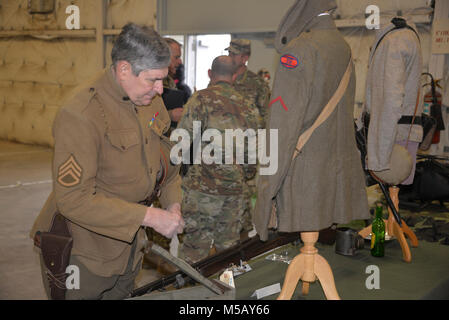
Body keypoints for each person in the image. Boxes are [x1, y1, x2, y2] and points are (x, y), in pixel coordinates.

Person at [30, 23, 185, 300]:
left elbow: (169, 167)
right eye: (153, 80)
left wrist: (173, 205)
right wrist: (150, 217)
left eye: (163, 80)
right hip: (84, 252)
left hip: (130, 246)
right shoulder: (81, 113)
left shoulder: (150, 100)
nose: (161, 89)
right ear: (124, 69)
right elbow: (74, 200)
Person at [254, 0, 370, 241]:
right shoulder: (343, 47)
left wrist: (267, 189)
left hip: (305, 174)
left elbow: (282, 126)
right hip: (335, 169)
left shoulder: (299, 49)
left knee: (307, 239)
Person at [176, 56, 259, 263]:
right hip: (234, 192)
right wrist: (244, 174)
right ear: (235, 75)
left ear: (210, 74)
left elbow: (182, 142)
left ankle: (190, 292)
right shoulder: (248, 105)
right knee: (228, 251)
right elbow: (251, 153)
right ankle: (227, 292)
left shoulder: (199, 99)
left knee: (194, 250)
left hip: (201, 189)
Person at [363, 17, 423, 185]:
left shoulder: (394, 42)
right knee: (394, 197)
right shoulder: (408, 37)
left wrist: (379, 159)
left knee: (392, 194)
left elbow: (390, 100)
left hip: (392, 141)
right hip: (402, 134)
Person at [226, 39, 270, 233]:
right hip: (222, 149)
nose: (230, 57)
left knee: (245, 198)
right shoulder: (223, 78)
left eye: (234, 54)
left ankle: (243, 241)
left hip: (247, 152)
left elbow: (267, 116)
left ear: (245, 58)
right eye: (229, 53)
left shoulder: (257, 84)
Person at [163, 38, 185, 126]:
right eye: (176, 57)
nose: (180, 62)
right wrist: (169, 115)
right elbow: (147, 120)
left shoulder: (169, 81)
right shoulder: (149, 84)